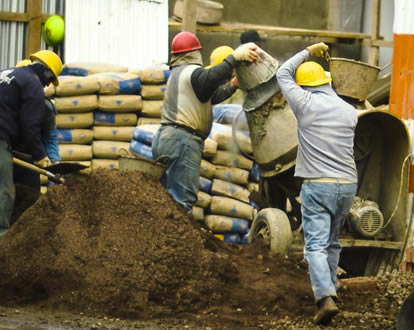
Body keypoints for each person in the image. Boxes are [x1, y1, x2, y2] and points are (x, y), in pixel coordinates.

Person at [276, 42, 358, 325]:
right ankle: (332, 290)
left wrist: (308, 51)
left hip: (318, 185)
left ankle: (325, 298)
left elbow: (282, 74)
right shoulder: (349, 111)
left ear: (305, 87)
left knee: (315, 246)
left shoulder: (305, 103)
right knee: (333, 242)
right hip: (348, 185)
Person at [0, 50, 62, 251]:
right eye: (51, 80)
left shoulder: (3, 74)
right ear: (47, 71)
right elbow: (30, 124)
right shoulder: (33, 84)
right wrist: (40, 156)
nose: (49, 85)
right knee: (0, 193)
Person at [152, 32, 257, 212]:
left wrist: (232, 85)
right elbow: (209, 78)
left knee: (165, 199)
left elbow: (209, 96)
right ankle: (178, 240)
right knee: (182, 201)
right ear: (195, 53)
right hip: (182, 142)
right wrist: (234, 58)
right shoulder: (192, 72)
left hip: (166, 139)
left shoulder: (177, 74)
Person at [12, 59, 61, 188]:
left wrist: (55, 164)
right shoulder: (5, 103)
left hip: (30, 160)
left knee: (29, 199)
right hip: (5, 157)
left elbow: (50, 138)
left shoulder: (45, 108)